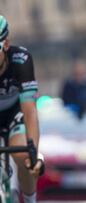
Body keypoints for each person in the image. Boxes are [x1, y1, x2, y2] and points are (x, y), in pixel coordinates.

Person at [0, 15, 44, 203]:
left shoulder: (21, 59)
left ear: (6, 45)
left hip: (14, 114)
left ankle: (30, 199)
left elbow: (30, 111)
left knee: (23, 156)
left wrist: (33, 151)